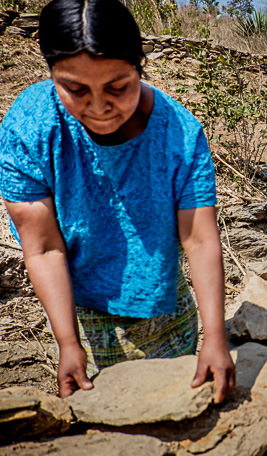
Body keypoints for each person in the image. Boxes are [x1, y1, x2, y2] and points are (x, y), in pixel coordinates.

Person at [0, 0, 235, 402]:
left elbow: (199, 239)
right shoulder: (30, 127)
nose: (99, 107)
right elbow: (42, 248)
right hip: (80, 311)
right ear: (52, 74)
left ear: (139, 66)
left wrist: (215, 337)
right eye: (75, 89)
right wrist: (68, 343)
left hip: (167, 309)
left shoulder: (178, 135)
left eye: (117, 87)